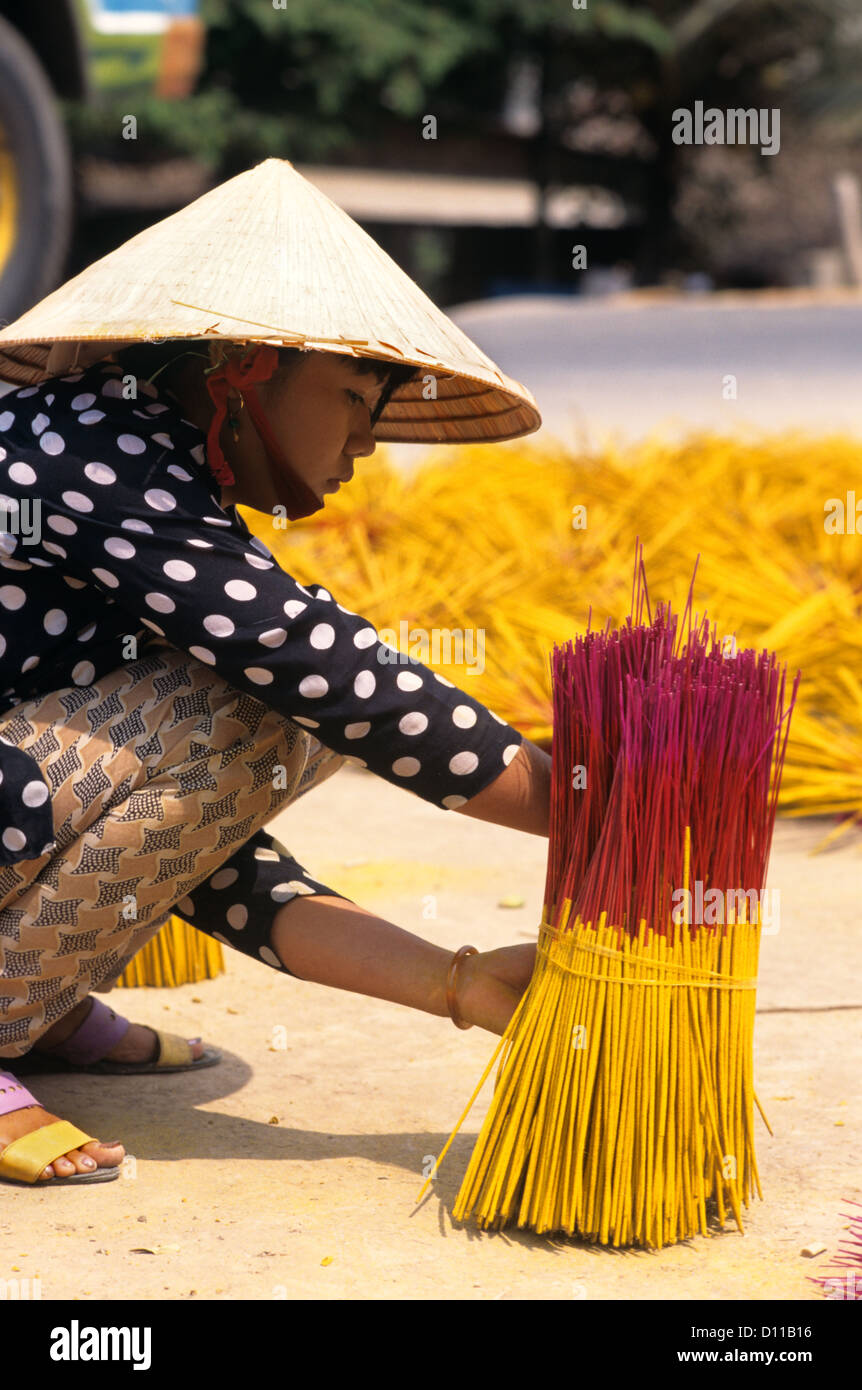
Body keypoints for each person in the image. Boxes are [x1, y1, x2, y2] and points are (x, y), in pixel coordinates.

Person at [0, 158, 548, 1186]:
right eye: (351, 396)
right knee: (269, 715)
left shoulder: (133, 461)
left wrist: (458, 983)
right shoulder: (89, 450)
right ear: (246, 366)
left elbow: (185, 853)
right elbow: (315, 665)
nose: (366, 446)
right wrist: (564, 797)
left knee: (260, 725)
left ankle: (31, 1003)